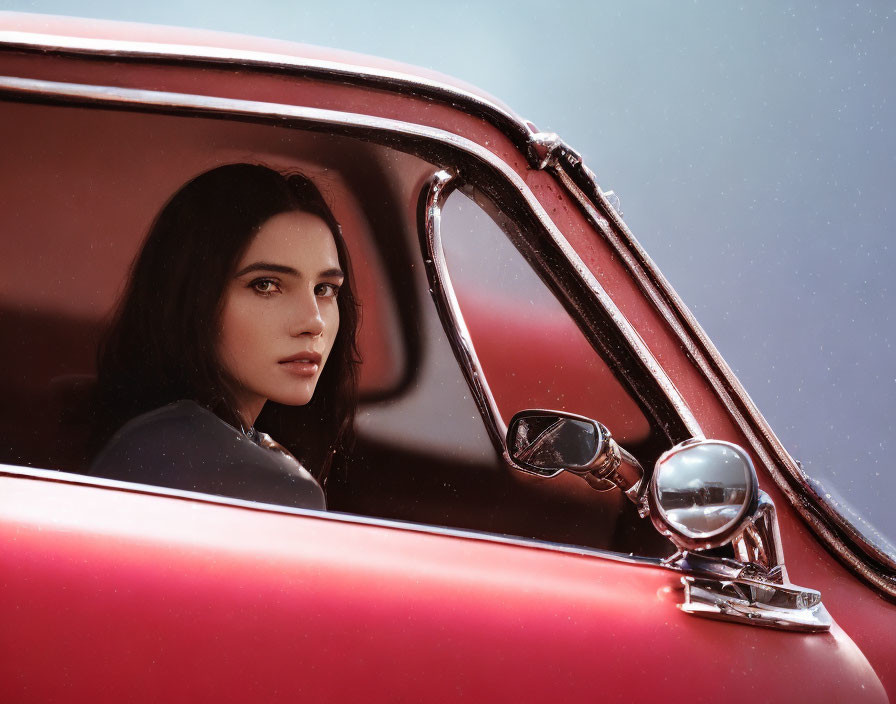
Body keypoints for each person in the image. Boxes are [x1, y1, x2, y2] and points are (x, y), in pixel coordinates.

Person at [88, 164, 360, 510]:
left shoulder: (144, 436)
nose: (314, 321)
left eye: (324, 289)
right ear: (193, 297)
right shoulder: (249, 479)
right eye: (266, 285)